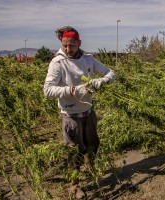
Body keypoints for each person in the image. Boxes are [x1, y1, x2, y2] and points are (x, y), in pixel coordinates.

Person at [43, 26, 116, 199]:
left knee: (93, 144)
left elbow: (111, 73)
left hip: (88, 112)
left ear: (79, 43)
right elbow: (48, 90)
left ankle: (89, 167)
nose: (68, 49)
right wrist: (73, 90)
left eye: (72, 45)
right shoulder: (58, 63)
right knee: (73, 152)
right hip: (70, 115)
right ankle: (74, 187)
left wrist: (102, 81)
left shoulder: (88, 59)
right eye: (65, 45)